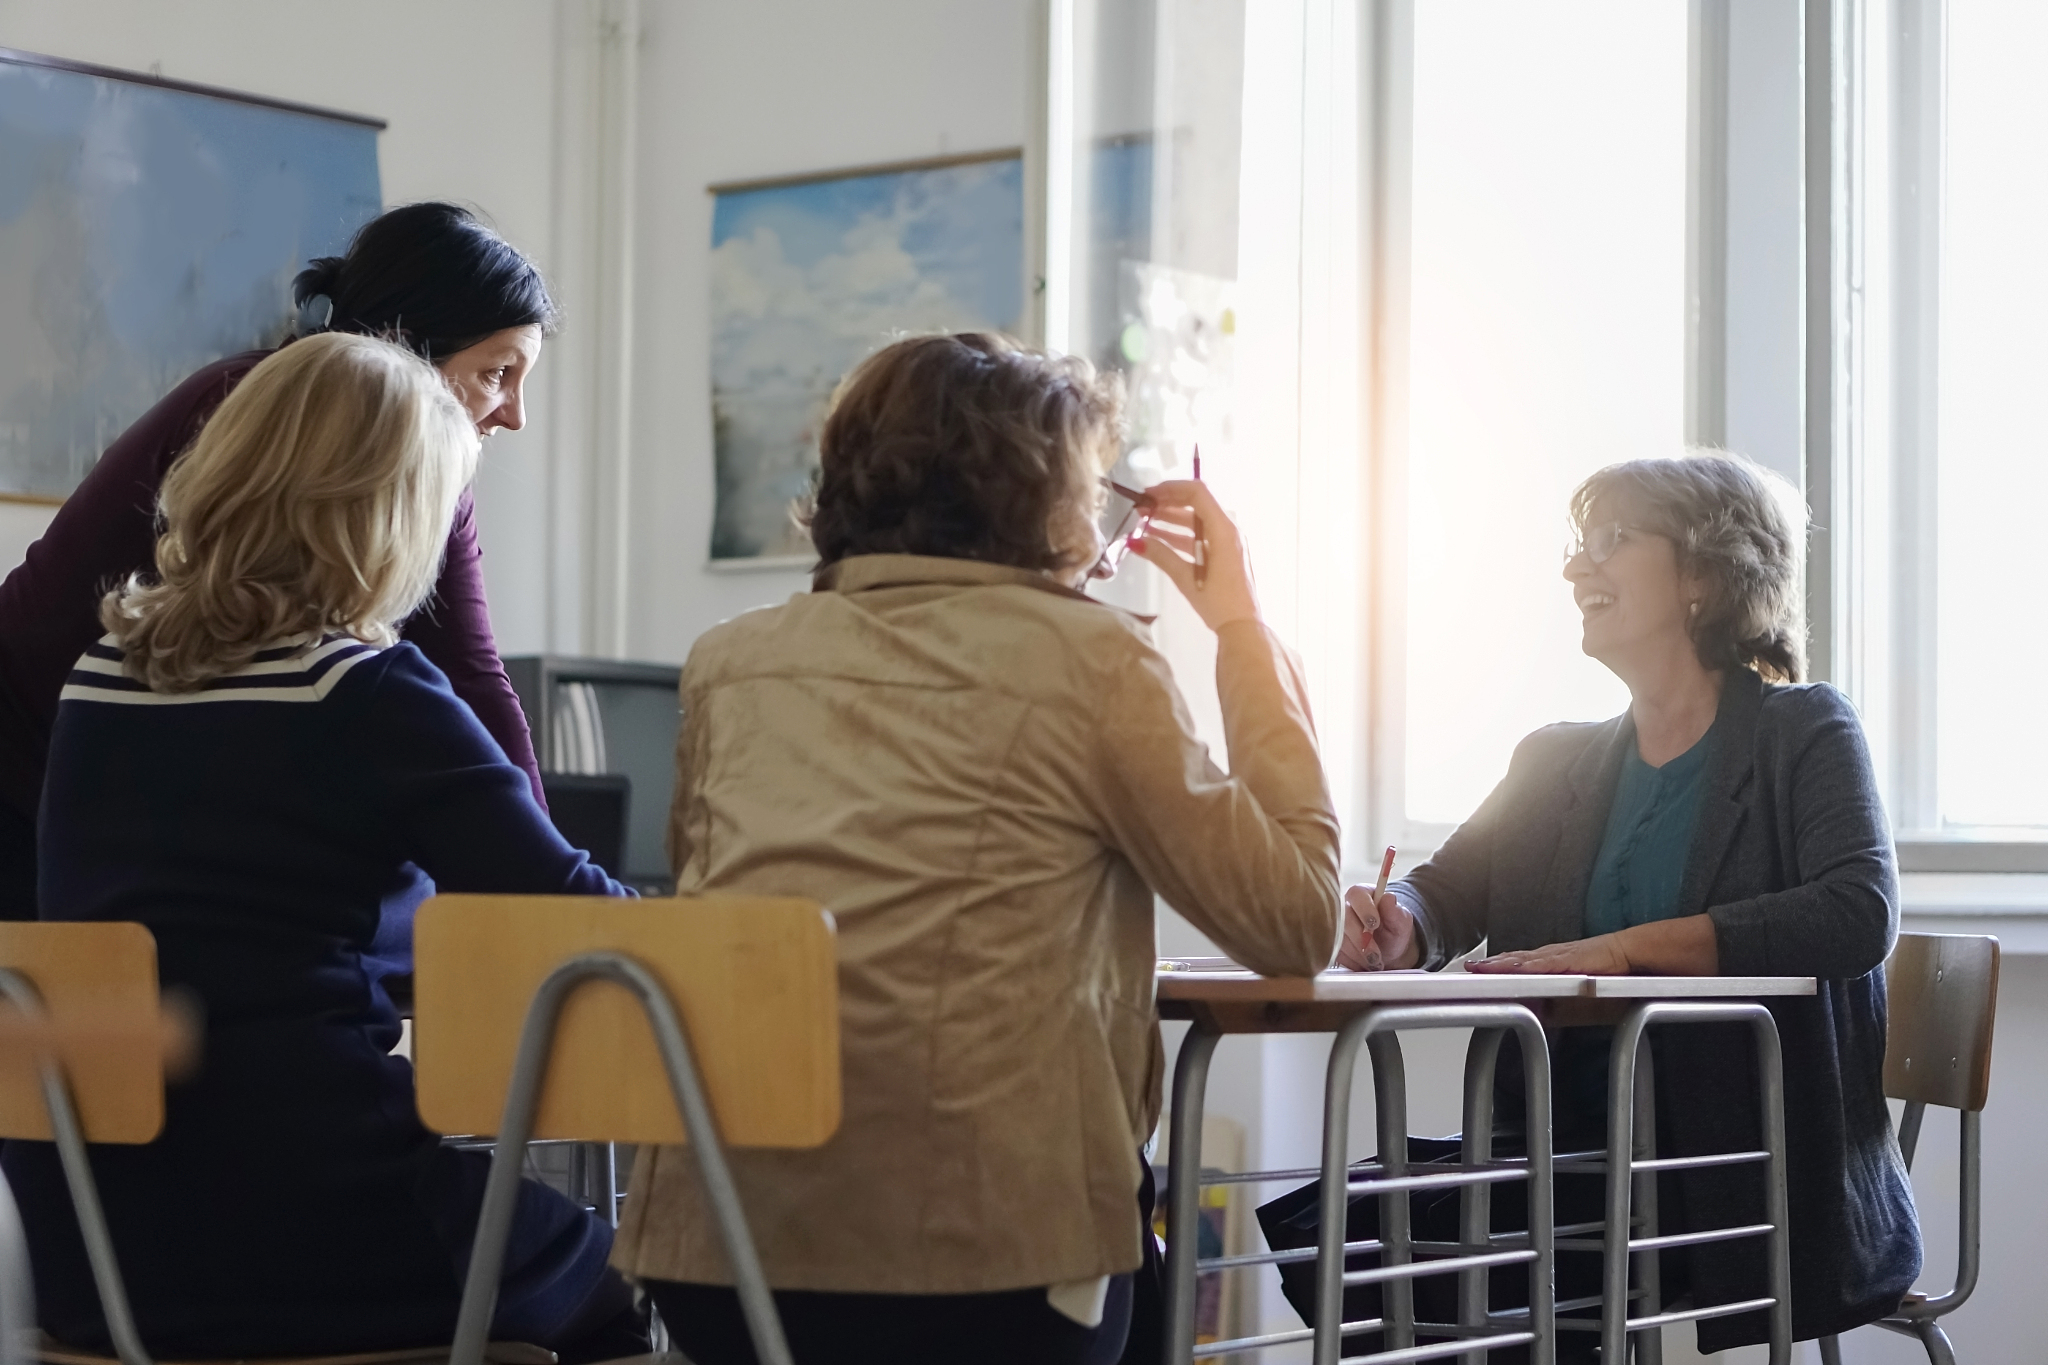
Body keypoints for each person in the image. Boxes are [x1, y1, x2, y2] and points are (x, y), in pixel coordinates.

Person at [608, 332, 1343, 1364]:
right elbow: (1297, 920)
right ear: (1042, 499)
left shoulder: (729, 663)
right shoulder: (1089, 659)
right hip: (978, 1281)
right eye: (1093, 488)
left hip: (716, 1262)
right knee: (1147, 1269)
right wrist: (1241, 630)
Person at [1, 334, 647, 1360]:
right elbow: (569, 915)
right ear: (390, 516)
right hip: (318, 1224)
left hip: (96, 1254)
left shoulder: (98, 682)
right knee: (631, 1278)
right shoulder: (364, 691)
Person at [1318, 452, 1920, 1356]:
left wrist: (1628, 947)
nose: (1574, 567)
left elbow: (1857, 910)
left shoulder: (1803, 730)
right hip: (1564, 1155)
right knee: (1349, 1235)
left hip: (1735, 1175)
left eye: (1610, 540)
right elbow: (1444, 891)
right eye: (1576, 545)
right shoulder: (1552, 758)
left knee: (1400, 1257)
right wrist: (1400, 918)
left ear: (1703, 573)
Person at [0, 201, 555, 922]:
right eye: (497, 372)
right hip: (32, 770)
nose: (514, 413)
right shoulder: (255, 411)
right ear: (405, 344)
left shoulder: (417, 466)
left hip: (98, 784)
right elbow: (466, 677)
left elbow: (471, 670)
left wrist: (534, 863)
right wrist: (542, 887)